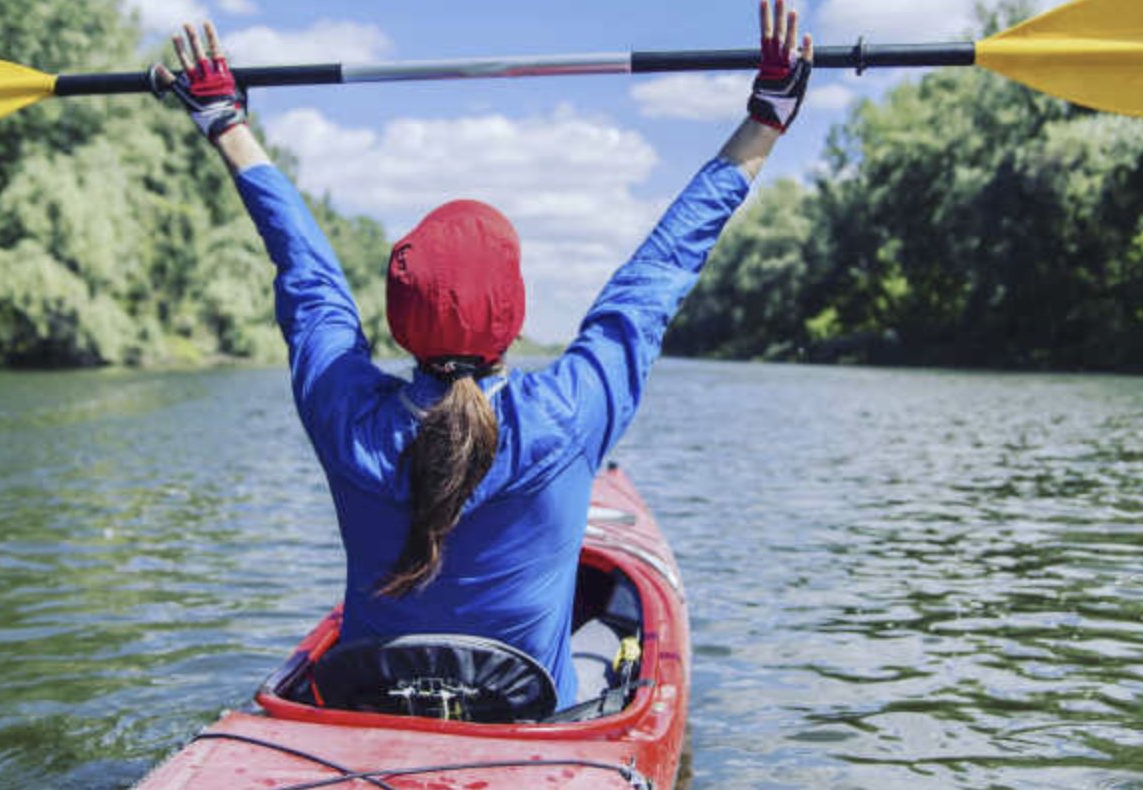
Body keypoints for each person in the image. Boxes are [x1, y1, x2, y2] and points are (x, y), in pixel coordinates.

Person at [152, 1, 812, 710]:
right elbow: (659, 270)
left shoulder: (344, 415)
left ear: (401, 321)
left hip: (371, 703)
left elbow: (307, 276)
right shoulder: (569, 412)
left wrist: (226, 123)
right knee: (605, 632)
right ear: (514, 316)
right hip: (527, 713)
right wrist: (768, 113)